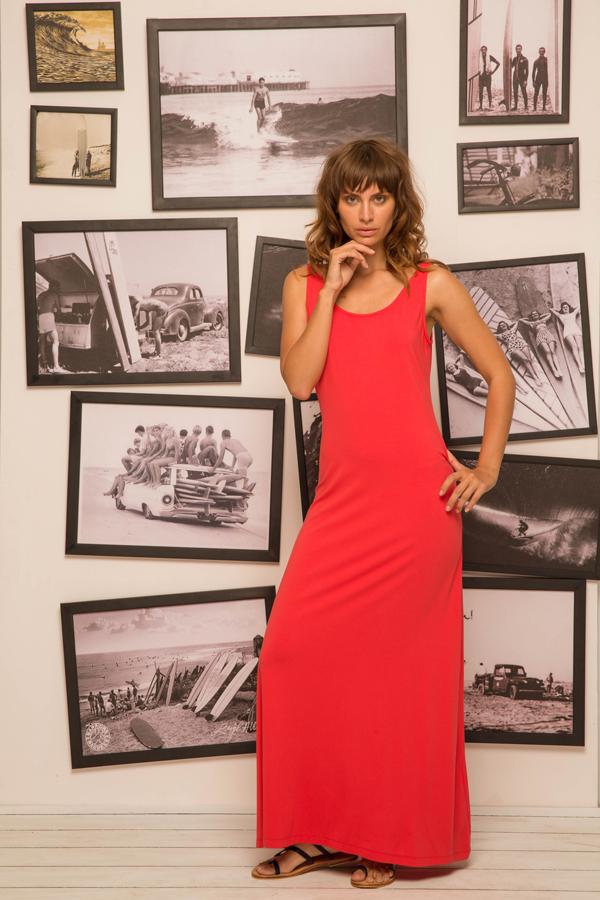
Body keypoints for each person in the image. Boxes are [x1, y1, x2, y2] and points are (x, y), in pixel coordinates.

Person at [252, 137, 515, 887]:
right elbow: (300, 382)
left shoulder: (429, 282)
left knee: (398, 684)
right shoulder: (305, 284)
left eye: (379, 197)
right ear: (333, 205)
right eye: (352, 198)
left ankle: (385, 839)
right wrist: (331, 291)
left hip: (416, 510)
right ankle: (314, 834)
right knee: (293, 658)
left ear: (399, 204)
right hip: (340, 508)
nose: (366, 213)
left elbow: (499, 373)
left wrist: (485, 469)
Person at [37, 279, 67, 373]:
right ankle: (56, 366)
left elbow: (38, 308)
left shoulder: (41, 295)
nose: (58, 289)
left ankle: (44, 364)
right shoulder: (54, 295)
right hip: (48, 317)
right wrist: (61, 317)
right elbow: (58, 310)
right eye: (57, 288)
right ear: (53, 287)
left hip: (40, 317)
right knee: (55, 341)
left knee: (42, 341)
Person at [478, 44, 500, 110]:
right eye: (482, 50)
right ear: (481, 51)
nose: (483, 51)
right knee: (480, 91)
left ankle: (490, 105)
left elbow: (498, 63)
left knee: (488, 91)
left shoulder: (489, 57)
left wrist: (493, 71)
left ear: (486, 50)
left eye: (484, 50)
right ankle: (480, 106)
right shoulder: (479, 58)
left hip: (487, 76)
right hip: (481, 76)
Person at [511, 44, 529, 111]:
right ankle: (515, 106)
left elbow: (527, 70)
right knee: (515, 92)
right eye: (517, 49)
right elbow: (511, 66)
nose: (518, 50)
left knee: (524, 92)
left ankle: (526, 106)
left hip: (522, 78)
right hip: (515, 78)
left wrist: (525, 80)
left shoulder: (525, 59)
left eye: (519, 49)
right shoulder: (514, 59)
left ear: (521, 49)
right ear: (515, 50)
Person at [532, 47, 549, 111]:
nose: (541, 53)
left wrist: (549, 80)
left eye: (543, 51)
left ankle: (544, 107)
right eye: (540, 51)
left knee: (544, 93)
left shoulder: (547, 60)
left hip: (545, 78)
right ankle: (534, 108)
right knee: (536, 93)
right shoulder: (536, 61)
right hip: (538, 78)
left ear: (544, 52)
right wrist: (533, 81)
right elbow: (533, 72)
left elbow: (550, 71)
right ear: (538, 52)